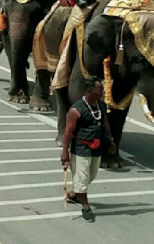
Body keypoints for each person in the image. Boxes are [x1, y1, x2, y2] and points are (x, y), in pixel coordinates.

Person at [61, 76, 117, 223]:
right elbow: (67, 132)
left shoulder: (101, 106)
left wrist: (111, 141)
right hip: (81, 149)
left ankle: (74, 195)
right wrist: (65, 152)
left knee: (90, 176)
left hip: (97, 148)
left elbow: (105, 123)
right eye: (100, 89)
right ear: (89, 91)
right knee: (82, 178)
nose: (103, 91)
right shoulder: (76, 110)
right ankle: (85, 207)